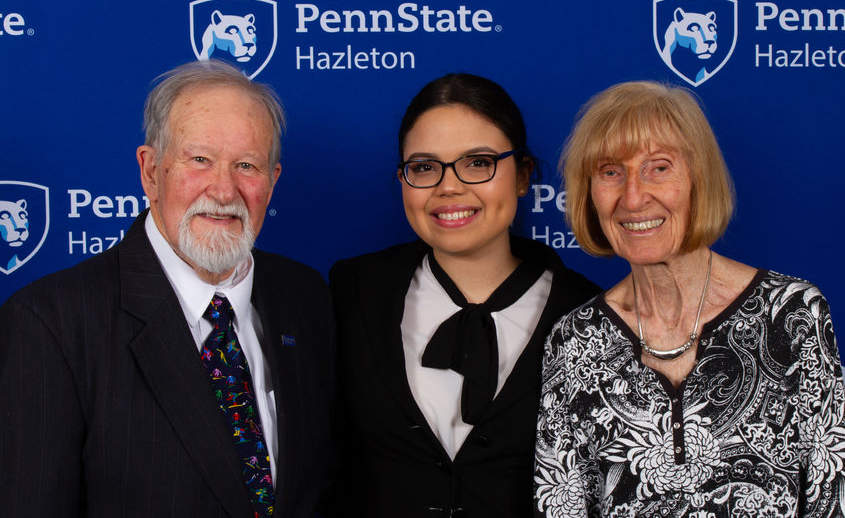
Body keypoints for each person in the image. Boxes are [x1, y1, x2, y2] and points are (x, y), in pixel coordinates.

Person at [0, 60, 335, 518]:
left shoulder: (304, 296)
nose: (223, 190)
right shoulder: (51, 323)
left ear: (272, 181)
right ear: (151, 171)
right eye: (199, 160)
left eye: (246, 165)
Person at [534, 81, 845, 517]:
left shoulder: (792, 314)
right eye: (609, 172)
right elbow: (560, 505)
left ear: (698, 179)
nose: (633, 196)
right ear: (589, 193)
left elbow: (831, 495)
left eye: (658, 168)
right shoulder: (574, 340)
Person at [329, 73, 599, 517]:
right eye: (424, 167)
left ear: (523, 175)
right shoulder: (353, 290)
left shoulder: (589, 315)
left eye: (478, 162)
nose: (448, 186)